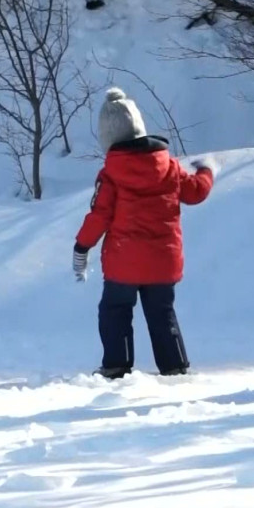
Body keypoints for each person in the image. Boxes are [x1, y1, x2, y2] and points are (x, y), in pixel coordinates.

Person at [72, 87, 218, 379]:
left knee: (115, 310)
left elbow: (99, 216)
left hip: (123, 263)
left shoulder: (111, 175)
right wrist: (207, 171)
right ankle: (174, 365)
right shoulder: (170, 168)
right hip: (163, 262)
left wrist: (81, 248)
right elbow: (196, 193)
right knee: (162, 312)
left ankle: (117, 365)